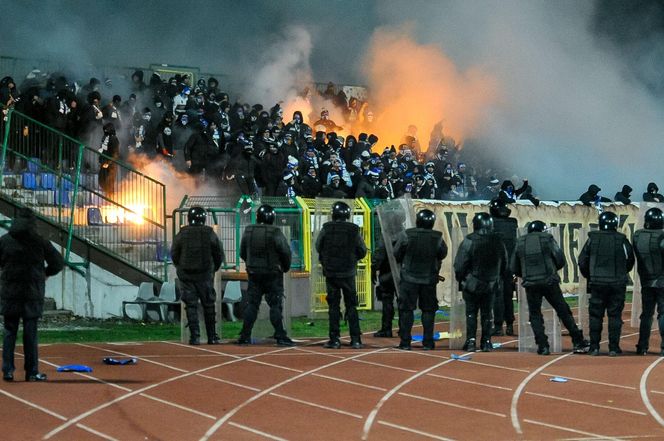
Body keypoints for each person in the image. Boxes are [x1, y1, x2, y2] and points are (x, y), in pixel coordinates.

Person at [1, 208, 64, 381]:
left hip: (10, 292)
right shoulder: (40, 241)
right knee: (31, 333)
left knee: (9, 331)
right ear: (33, 223)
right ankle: (32, 371)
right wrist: (46, 273)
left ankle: (7, 370)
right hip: (32, 292)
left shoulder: (5, 241)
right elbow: (58, 262)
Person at [512, 220, 590, 355]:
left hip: (531, 283)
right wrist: (552, 270)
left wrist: (526, 275)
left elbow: (514, 266)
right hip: (549, 281)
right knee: (563, 310)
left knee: (535, 315)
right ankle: (577, 340)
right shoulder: (548, 239)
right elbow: (559, 259)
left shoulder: (520, 242)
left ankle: (542, 345)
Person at [579, 211, 635, 356]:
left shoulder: (592, 239)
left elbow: (582, 260)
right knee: (615, 316)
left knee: (595, 316)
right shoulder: (621, 239)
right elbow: (630, 260)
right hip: (617, 283)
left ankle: (594, 347)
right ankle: (613, 348)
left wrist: (590, 276)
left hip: (597, 283)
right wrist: (622, 272)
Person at [237, 205, 294, 346]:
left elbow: (242, 252)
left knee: (252, 305)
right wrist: (285, 267)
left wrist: (251, 264)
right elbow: (285, 251)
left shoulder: (248, 230)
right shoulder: (275, 232)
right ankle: (280, 335)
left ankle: (244, 335)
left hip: (254, 273)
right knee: (275, 305)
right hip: (272, 274)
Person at [393, 209, 447, 350]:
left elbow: (396, 253)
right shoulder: (438, 237)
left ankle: (405, 342)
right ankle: (428, 342)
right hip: (429, 279)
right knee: (428, 311)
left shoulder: (407, 235)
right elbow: (443, 253)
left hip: (409, 278)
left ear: (418, 220)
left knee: (406, 310)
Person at [316, 201, 367, 349]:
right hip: (348, 272)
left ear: (333, 214)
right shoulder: (353, 230)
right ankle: (356, 339)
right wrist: (352, 258)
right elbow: (362, 250)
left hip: (331, 272)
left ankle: (334, 339)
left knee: (333, 306)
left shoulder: (326, 228)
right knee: (352, 305)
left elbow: (318, 246)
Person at [454, 212, 507, 352]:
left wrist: (461, 279)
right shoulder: (498, 241)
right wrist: (497, 278)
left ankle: (471, 341)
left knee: (471, 312)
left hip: (472, 283)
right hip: (491, 283)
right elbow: (504, 264)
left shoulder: (469, 240)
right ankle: (486, 341)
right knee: (487, 313)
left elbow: (460, 264)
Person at [171, 207, 224, 345]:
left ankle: (194, 337)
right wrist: (213, 269)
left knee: (191, 306)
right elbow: (218, 253)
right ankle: (212, 337)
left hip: (187, 276)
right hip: (205, 275)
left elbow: (174, 253)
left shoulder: (182, 233)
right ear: (204, 218)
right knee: (208, 305)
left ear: (189, 218)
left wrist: (180, 267)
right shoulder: (209, 233)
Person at [632, 208, 664, 355]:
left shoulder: (637, 236)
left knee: (646, 314)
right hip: (662, 281)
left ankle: (642, 346)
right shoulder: (662, 237)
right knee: (662, 314)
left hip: (646, 280)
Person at [371, 210, 407, 338]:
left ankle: (386, 329)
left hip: (387, 272)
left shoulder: (386, 235)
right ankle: (404, 329)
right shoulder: (404, 234)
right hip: (402, 272)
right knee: (402, 301)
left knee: (387, 301)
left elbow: (379, 254)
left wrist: (373, 268)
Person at [489, 199, 517, 337]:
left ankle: (498, 325)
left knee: (497, 296)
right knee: (508, 296)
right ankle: (510, 324)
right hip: (510, 264)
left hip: (496, 264)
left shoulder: (492, 223)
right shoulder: (513, 223)